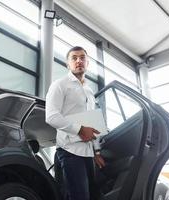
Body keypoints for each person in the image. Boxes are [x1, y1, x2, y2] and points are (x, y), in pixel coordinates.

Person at [45, 46, 105, 200]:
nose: (79, 61)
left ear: (87, 63)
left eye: (82, 57)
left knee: (94, 196)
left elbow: (93, 122)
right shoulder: (60, 85)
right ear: (67, 64)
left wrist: (97, 152)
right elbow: (51, 116)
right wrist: (79, 129)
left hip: (88, 154)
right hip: (69, 151)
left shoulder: (89, 91)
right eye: (74, 58)